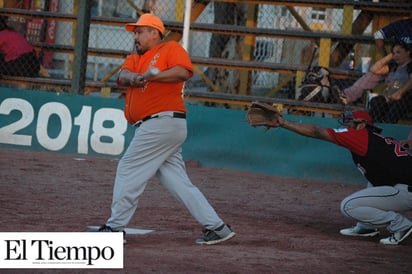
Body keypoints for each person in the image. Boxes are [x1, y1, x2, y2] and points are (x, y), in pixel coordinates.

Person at [98, 13, 235, 245]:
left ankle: (114, 227)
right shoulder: (135, 58)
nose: (136, 37)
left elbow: (183, 72)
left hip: (162, 123)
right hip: (160, 126)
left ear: (155, 32)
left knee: (129, 168)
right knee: (178, 182)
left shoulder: (170, 48)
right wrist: (135, 78)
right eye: (135, 33)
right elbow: (122, 76)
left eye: (140, 32)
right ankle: (217, 227)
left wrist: (155, 77)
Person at [252, 108, 412, 245]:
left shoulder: (360, 136)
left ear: (362, 124)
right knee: (373, 178)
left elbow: (316, 132)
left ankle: (400, 225)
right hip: (403, 185)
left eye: (351, 122)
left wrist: (283, 123)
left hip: (406, 190)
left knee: (349, 206)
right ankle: (366, 226)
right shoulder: (378, 139)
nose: (346, 125)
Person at [335, 41, 412, 123]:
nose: (395, 55)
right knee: (376, 101)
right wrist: (390, 56)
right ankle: (375, 127)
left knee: (396, 106)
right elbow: (374, 69)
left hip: (404, 98)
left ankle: (387, 127)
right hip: (389, 97)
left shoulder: (410, 66)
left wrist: (400, 93)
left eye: (398, 52)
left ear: (408, 52)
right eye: (393, 53)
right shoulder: (394, 66)